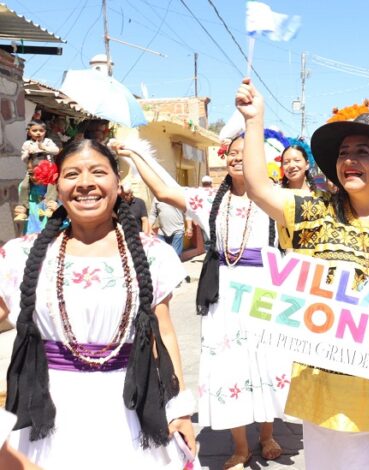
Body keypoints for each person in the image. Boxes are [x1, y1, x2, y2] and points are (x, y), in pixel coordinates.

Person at [236, 78, 369, 470]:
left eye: (363, 152)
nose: (349, 159)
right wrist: (255, 121)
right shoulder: (315, 212)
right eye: (343, 153)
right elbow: (257, 187)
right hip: (328, 390)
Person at [0, 139, 195, 469]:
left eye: (98, 172)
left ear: (118, 184)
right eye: (72, 173)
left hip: (129, 411)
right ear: (57, 185)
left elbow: (164, 334)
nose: (85, 183)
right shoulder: (20, 255)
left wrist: (180, 410)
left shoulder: (152, 253)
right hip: (48, 413)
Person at [116, 134, 290, 469]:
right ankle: (240, 447)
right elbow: (166, 191)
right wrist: (138, 154)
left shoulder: (278, 199)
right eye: (232, 153)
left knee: (266, 361)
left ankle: (267, 435)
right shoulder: (211, 199)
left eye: (245, 152)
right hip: (224, 293)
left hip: (267, 292)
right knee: (230, 364)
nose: (237, 158)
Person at [14, 120, 60, 223]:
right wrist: (27, 152)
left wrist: (44, 148)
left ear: (45, 131)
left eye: (41, 130)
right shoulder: (27, 144)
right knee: (24, 186)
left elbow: (56, 151)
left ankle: (50, 205)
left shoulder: (47, 142)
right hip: (33, 169)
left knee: (52, 184)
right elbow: (23, 159)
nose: (38, 133)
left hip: (48, 170)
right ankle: (22, 208)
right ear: (29, 132)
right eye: (34, 130)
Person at [13, 153, 59, 233]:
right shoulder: (24, 187)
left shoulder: (58, 186)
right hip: (31, 233)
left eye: (38, 172)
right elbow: (26, 210)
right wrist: (20, 210)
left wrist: (58, 208)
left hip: (54, 233)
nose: (34, 177)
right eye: (30, 173)